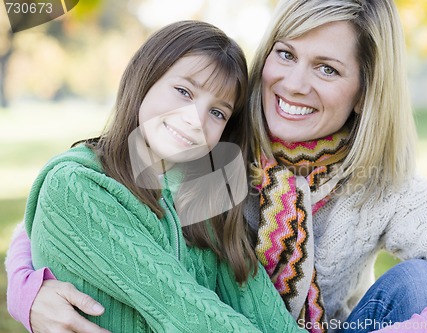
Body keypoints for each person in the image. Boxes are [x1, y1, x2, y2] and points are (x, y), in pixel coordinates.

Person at [6, 0, 427, 332]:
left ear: (365, 92)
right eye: (285, 54)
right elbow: (92, 195)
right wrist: (26, 288)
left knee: (421, 283)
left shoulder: (383, 182)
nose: (294, 84)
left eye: (327, 68)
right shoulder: (213, 152)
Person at [5, 20, 305, 333]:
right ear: (145, 77)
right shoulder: (75, 186)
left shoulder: (204, 202)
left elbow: (261, 307)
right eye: (184, 91)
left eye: (217, 112)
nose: (196, 120)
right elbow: (180, 309)